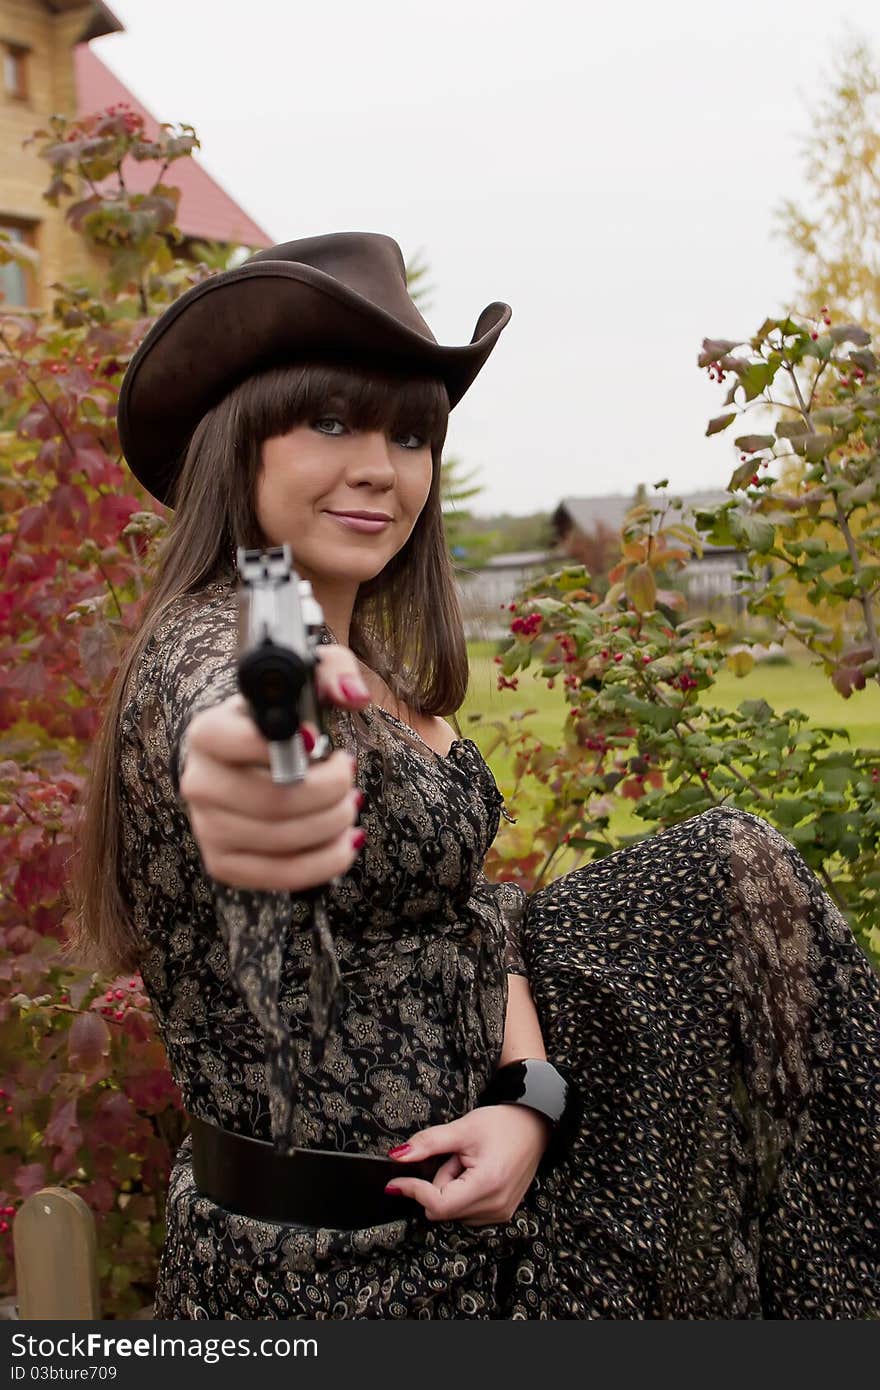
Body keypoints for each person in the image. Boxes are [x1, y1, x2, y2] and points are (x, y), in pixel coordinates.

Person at [70, 233, 880, 1319]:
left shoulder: (395, 683)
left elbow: (471, 921)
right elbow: (239, 711)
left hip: (500, 1220)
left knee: (726, 867)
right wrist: (260, 771)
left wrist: (527, 1097)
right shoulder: (220, 639)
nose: (380, 465)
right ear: (238, 444)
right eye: (330, 421)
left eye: (411, 434)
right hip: (335, 1278)